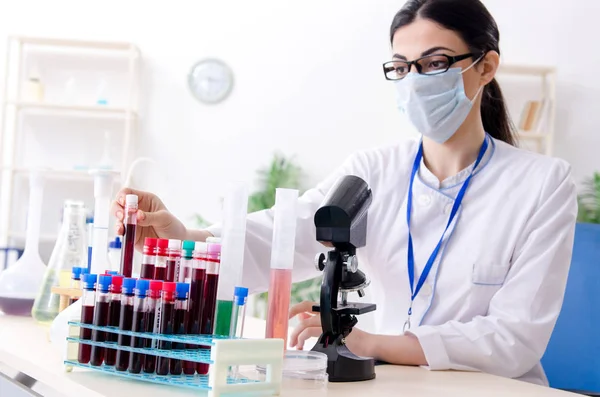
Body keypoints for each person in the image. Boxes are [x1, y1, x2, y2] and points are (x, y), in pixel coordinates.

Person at [112, 0, 577, 386]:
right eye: (401, 67)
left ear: (485, 67)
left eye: (435, 64)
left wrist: (373, 344)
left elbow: (514, 339)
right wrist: (182, 235)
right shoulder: (373, 170)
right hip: (387, 385)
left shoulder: (542, 184)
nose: (415, 81)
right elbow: (280, 237)